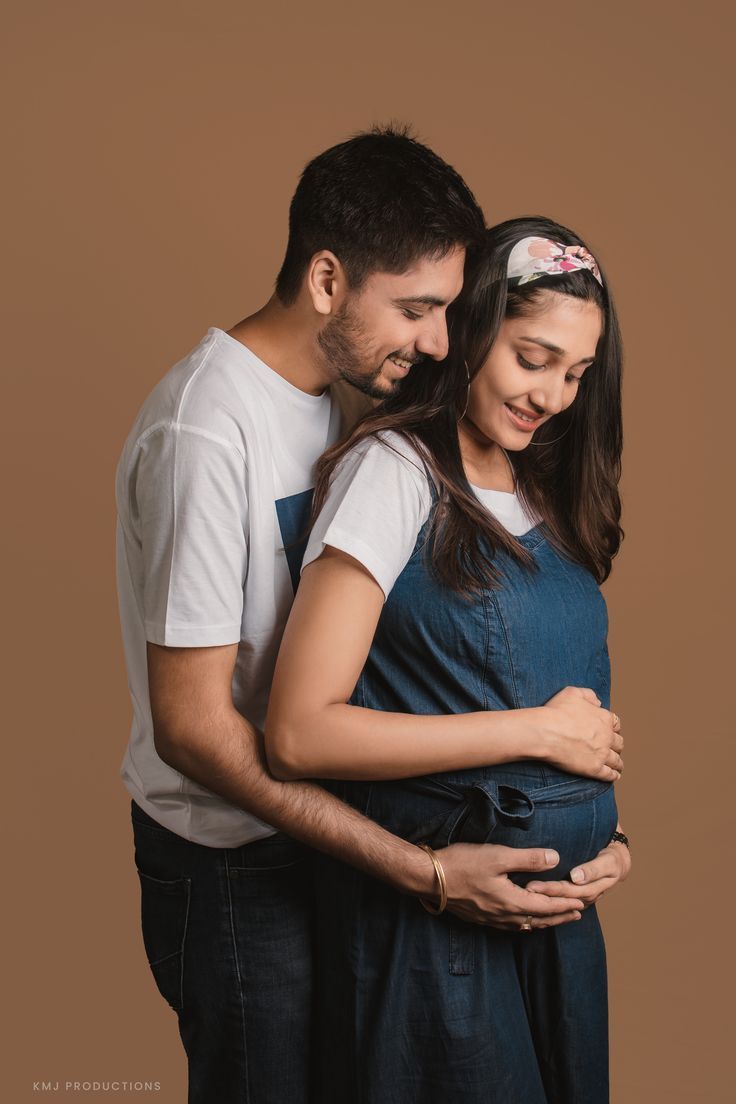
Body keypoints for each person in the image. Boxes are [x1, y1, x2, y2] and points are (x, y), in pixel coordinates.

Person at [115, 129, 587, 1104]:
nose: (437, 343)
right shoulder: (204, 430)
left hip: (325, 841)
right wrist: (427, 874)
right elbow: (196, 729)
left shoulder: (343, 399)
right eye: (415, 309)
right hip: (233, 867)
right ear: (327, 279)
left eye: (450, 311)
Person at [265, 216, 631, 1102]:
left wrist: (602, 830)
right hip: (434, 938)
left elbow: (553, 699)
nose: (552, 396)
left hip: (557, 934)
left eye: (577, 375)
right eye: (532, 358)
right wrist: (540, 735)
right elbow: (299, 734)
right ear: (470, 331)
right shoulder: (393, 472)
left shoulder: (541, 488)